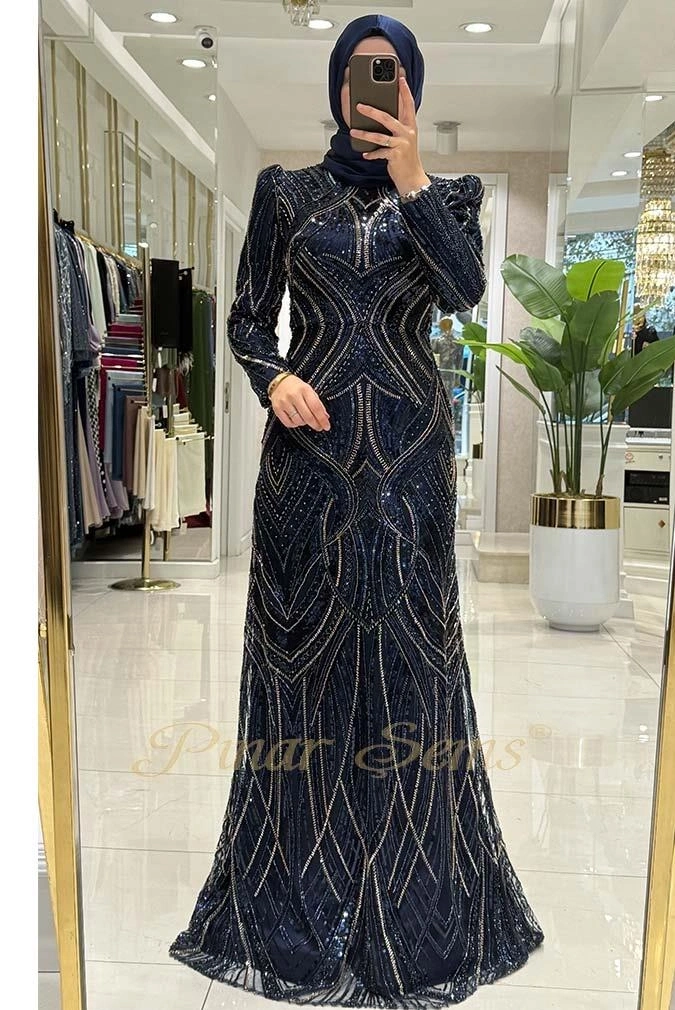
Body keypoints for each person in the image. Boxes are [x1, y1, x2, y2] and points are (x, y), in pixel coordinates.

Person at [169, 13, 544, 1006]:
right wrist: (272, 377)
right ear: (336, 86)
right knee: (304, 669)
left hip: (412, 465)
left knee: (413, 669)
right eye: (355, 74)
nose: (369, 90)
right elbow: (249, 318)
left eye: (389, 76)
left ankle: (412, 906)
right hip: (309, 464)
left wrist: (413, 175)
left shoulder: (451, 197)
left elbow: (464, 292)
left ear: (411, 87)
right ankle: (298, 897)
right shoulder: (284, 192)